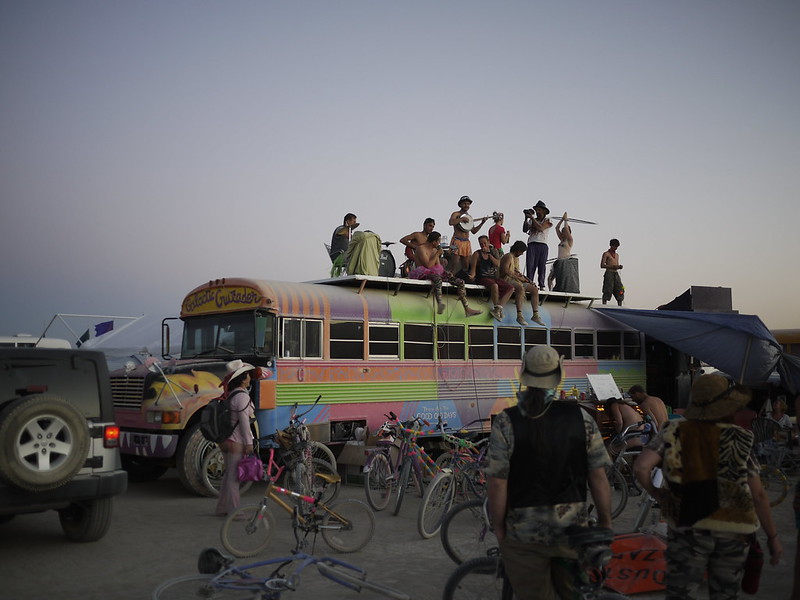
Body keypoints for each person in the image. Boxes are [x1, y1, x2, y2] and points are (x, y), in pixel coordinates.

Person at [634, 374, 783, 600]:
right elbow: (759, 495)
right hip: (735, 530)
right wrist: (772, 537)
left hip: (688, 528)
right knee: (725, 594)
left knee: (681, 594)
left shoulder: (673, 432)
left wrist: (658, 493)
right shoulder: (739, 437)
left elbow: (641, 468)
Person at [486, 345, 612, 600]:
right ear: (558, 376)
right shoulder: (581, 417)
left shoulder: (506, 421)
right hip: (572, 532)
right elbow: (598, 476)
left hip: (523, 535)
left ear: (524, 375)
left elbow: (498, 483)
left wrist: (499, 527)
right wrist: (605, 522)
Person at [215, 359, 256, 517]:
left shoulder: (231, 394)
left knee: (228, 476)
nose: (250, 378)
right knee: (233, 479)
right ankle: (235, 511)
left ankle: (222, 507)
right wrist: (249, 443)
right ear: (243, 378)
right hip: (236, 441)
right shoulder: (242, 397)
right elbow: (244, 423)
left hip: (226, 441)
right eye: (248, 376)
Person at [408, 231, 481, 317]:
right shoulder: (421, 249)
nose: (439, 243)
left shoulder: (435, 250)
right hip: (423, 272)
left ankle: (467, 308)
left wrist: (445, 271)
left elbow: (438, 266)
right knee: (437, 279)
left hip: (435, 272)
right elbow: (428, 265)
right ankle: (439, 303)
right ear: (434, 242)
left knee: (460, 282)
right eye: (438, 241)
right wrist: (437, 254)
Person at [467, 235, 515, 322]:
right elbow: (473, 270)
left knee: (510, 288)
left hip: (493, 277)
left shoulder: (493, 253)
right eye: (481, 244)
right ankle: (497, 308)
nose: (483, 245)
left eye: (484, 243)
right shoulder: (477, 254)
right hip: (482, 277)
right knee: (494, 286)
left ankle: (498, 309)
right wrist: (471, 276)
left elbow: (498, 264)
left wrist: (489, 255)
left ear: (488, 242)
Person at [500, 240, 545, 326]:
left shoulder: (516, 259)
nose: (522, 254)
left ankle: (535, 314)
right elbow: (506, 271)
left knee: (534, 289)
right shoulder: (508, 256)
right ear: (518, 250)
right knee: (519, 288)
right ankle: (519, 315)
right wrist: (518, 278)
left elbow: (517, 272)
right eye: (521, 252)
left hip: (515, 280)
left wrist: (527, 280)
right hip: (506, 280)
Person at [449, 196, 488, 275]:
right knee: (454, 263)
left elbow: (473, 231)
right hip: (457, 240)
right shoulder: (456, 214)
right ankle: (450, 277)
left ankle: (463, 279)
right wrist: (461, 219)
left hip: (466, 242)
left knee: (466, 265)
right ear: (460, 205)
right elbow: (451, 222)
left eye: (468, 204)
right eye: (464, 203)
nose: (466, 205)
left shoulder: (469, 217)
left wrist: (482, 223)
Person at [522, 200, 552, 289]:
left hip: (542, 244)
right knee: (530, 265)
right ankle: (529, 283)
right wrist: (526, 218)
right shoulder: (532, 220)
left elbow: (541, 228)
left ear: (544, 211)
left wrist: (531, 218)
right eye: (537, 210)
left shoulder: (548, 220)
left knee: (542, 266)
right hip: (532, 244)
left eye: (539, 210)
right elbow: (524, 229)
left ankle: (541, 285)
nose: (537, 212)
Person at [547, 212, 577, 292]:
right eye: (562, 231)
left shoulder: (569, 240)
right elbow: (556, 228)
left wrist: (565, 221)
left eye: (565, 231)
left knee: (562, 279)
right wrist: (561, 220)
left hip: (565, 261)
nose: (563, 232)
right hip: (559, 261)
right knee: (550, 278)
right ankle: (550, 291)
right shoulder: (561, 240)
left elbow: (566, 229)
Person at [600, 238, 624, 305]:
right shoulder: (606, 254)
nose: (616, 248)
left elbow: (616, 264)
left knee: (620, 289)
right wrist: (612, 267)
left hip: (616, 273)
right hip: (609, 273)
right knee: (608, 289)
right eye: (615, 246)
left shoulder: (617, 255)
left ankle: (620, 305)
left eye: (617, 246)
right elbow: (602, 265)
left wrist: (619, 266)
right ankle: (604, 304)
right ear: (611, 245)